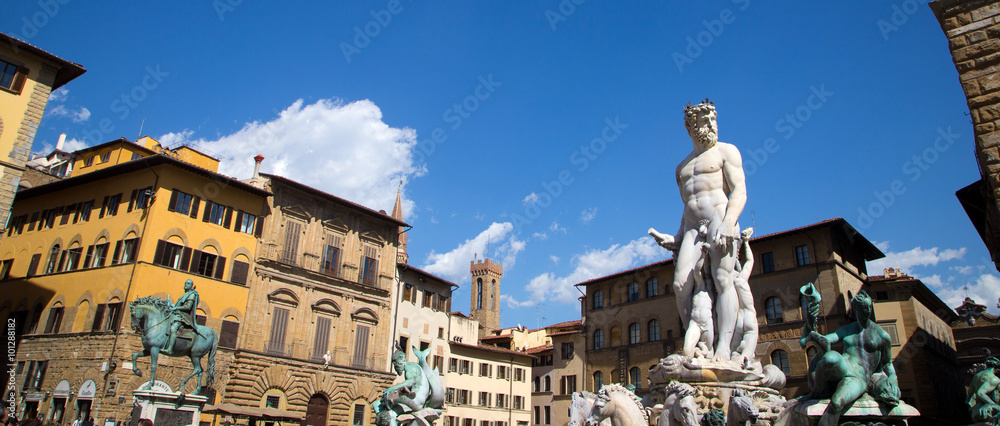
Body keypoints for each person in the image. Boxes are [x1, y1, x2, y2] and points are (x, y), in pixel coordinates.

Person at [649, 100, 746, 361]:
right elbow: (688, 206)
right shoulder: (682, 168)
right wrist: (676, 237)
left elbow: (739, 191)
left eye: (714, 120)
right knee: (680, 284)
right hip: (692, 227)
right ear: (692, 127)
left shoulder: (727, 151)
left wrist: (728, 222)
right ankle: (702, 342)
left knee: (723, 279)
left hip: (720, 217)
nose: (712, 125)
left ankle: (724, 347)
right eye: (706, 121)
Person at [801, 291, 900, 426]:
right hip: (845, 365)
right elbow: (827, 339)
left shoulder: (881, 335)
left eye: (869, 307)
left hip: (858, 377)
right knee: (830, 358)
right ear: (856, 309)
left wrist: (892, 380)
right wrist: (812, 326)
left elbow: (887, 364)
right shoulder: (846, 330)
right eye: (864, 308)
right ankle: (816, 392)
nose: (868, 311)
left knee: (836, 402)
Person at [166, 279, 200, 354]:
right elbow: (178, 306)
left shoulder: (191, 295)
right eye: (185, 283)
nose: (185, 284)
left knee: (173, 328)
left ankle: (170, 349)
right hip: (177, 314)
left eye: (188, 283)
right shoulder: (185, 294)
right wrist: (172, 305)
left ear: (191, 286)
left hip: (183, 317)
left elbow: (188, 307)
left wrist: (176, 308)